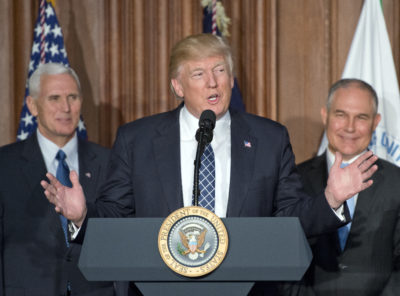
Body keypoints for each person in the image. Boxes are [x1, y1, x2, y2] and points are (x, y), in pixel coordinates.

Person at [41, 34, 378, 295]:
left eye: (220, 71)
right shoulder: (138, 140)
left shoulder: (269, 138)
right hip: (156, 288)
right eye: (199, 73)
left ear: (231, 79)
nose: (213, 82)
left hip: (248, 289)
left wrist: (331, 199)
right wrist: (82, 216)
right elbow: (116, 217)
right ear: (177, 85)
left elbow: (289, 218)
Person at [0, 63, 116, 295]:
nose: (66, 107)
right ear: (33, 105)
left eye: (72, 97)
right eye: (54, 98)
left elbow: (118, 235)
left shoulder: (110, 162)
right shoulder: (4, 165)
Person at [290, 79, 400, 295]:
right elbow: (282, 254)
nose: (350, 127)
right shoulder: (293, 179)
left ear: (376, 122)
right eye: (340, 115)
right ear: (325, 115)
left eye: (361, 117)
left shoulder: (396, 181)